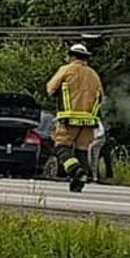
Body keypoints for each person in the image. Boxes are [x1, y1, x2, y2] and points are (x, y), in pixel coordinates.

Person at [46, 43, 104, 193]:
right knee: (81, 151)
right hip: (88, 121)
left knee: (61, 147)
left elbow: (50, 88)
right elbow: (101, 97)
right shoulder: (94, 75)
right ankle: (78, 182)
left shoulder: (66, 70)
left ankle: (76, 171)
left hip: (68, 119)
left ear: (71, 56)